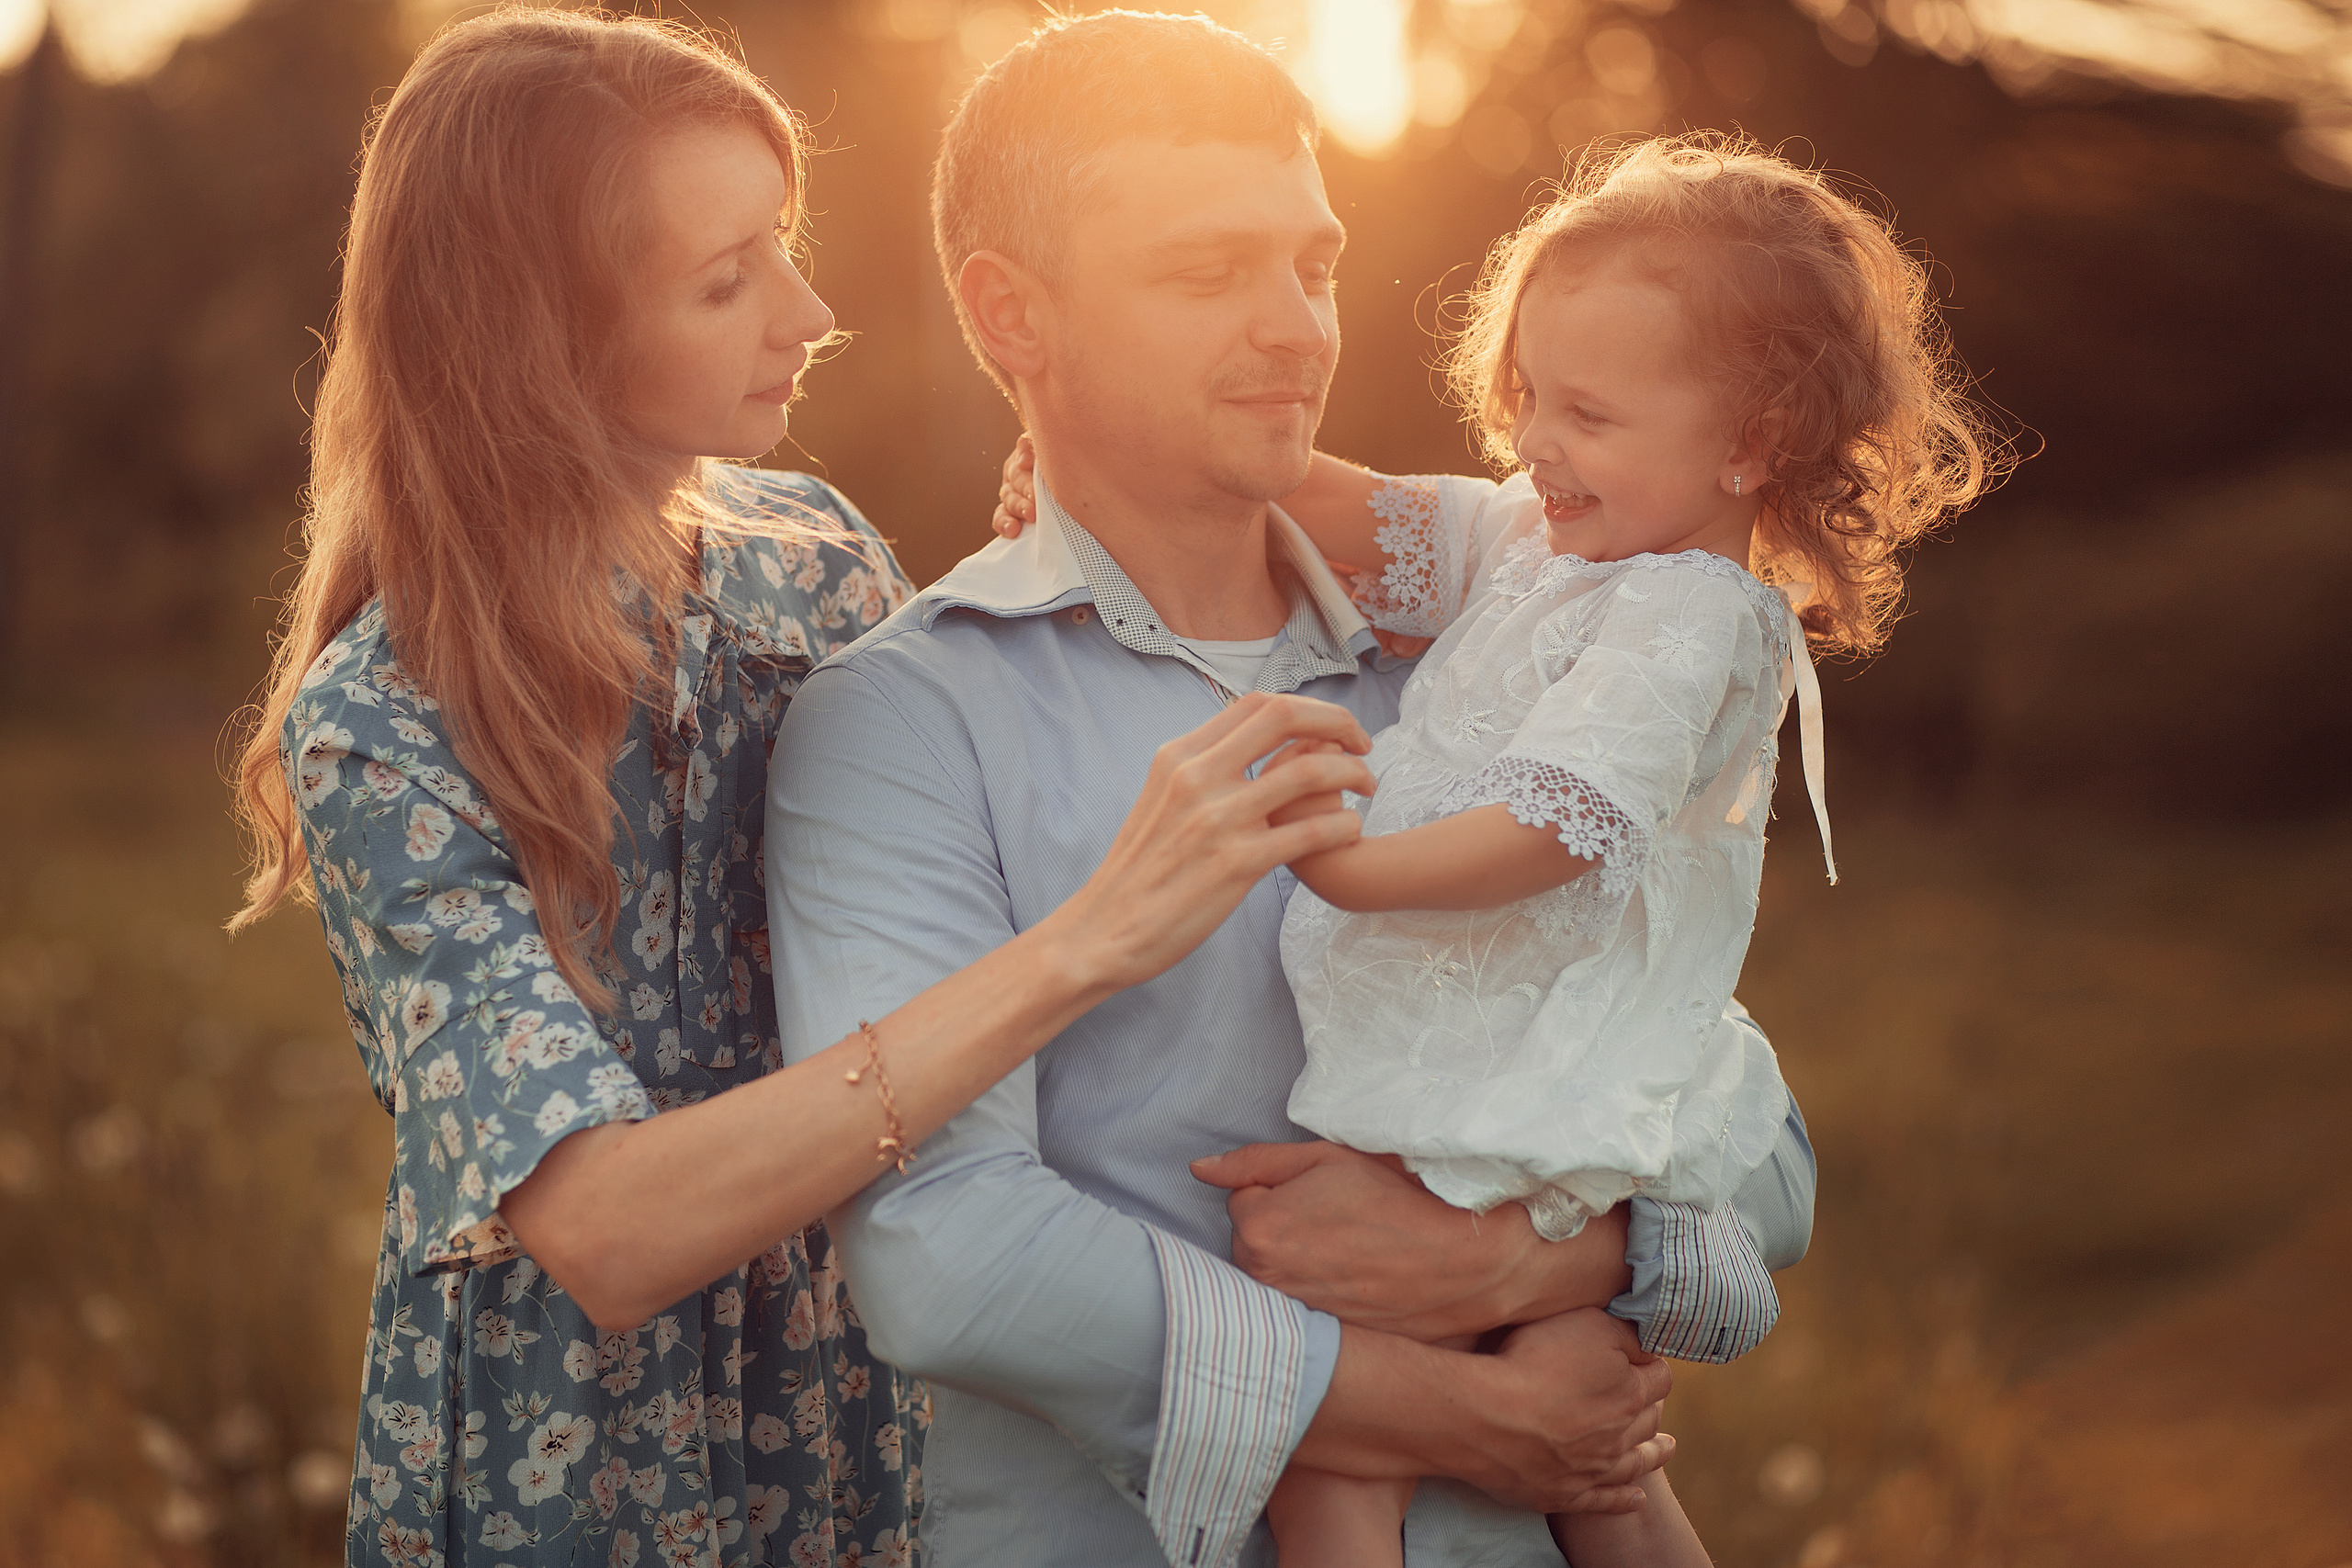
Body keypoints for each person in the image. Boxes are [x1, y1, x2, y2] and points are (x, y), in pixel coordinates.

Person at [226, 14, 1374, 1566]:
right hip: (576, 1462)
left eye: (782, 246)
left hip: (849, 1406)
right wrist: (1085, 944)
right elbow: (608, 1232)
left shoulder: (810, 557)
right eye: (726, 280)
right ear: (541, 334)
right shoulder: (381, 725)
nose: (811, 310)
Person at [765, 16, 1816, 1567]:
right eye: (1208, 274)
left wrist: (1522, 1265)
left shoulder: (1506, 647)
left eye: (1312, 265)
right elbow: (948, 1259)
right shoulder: (907, 721)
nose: (1297, 330)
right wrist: (1452, 1410)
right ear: (1011, 318)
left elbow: (1766, 1153)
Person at [1217, 136, 1991, 1567]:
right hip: (1496, 1054)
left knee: (1337, 1452)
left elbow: (1559, 824)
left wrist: (1344, 867)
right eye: (1526, 398)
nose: (1534, 443)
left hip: (1535, 1079)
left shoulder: (1688, 612)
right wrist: (1108, 464)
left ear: (1749, 442)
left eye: (1585, 410)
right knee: (1599, 1469)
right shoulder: (1556, 541)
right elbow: (1365, 509)